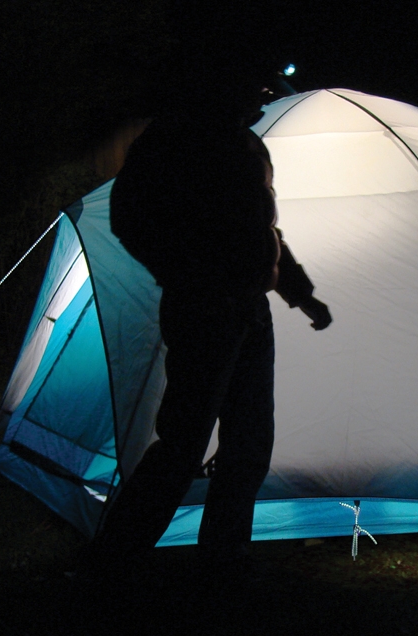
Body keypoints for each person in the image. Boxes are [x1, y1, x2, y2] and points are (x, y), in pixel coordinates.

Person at [89, 72, 331, 575]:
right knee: (183, 443)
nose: (263, 96)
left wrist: (300, 295)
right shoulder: (175, 140)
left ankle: (223, 554)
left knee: (249, 439)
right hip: (203, 309)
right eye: (256, 87)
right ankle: (116, 560)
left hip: (249, 309)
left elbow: (262, 232)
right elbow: (129, 217)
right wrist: (186, 273)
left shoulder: (244, 143)